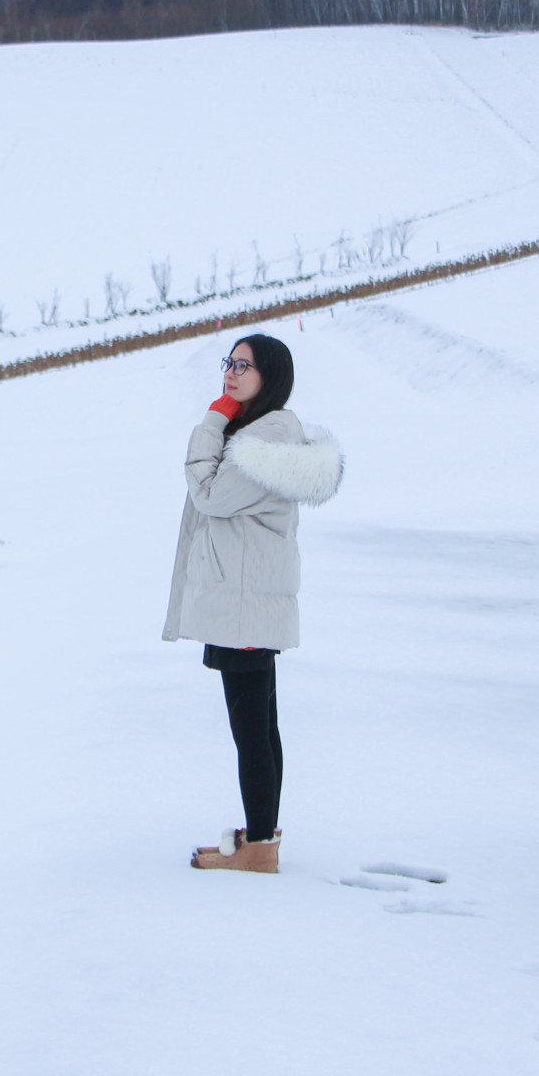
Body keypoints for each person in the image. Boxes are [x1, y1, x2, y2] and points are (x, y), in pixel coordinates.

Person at [162, 334, 343, 873]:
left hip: (241, 605)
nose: (231, 374)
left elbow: (210, 495)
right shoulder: (264, 436)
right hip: (246, 600)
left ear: (272, 376)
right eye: (229, 363)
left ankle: (260, 848)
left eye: (244, 366)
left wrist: (213, 421)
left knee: (251, 731)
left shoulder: (261, 446)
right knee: (261, 726)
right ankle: (262, 835)